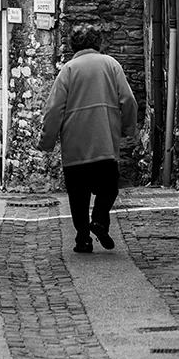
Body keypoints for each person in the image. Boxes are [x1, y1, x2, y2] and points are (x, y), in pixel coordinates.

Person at [38, 27, 138, 253]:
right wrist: (127, 128)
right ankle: (100, 220)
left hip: (75, 145)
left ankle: (83, 238)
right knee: (109, 188)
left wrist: (47, 141)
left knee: (78, 194)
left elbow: (54, 110)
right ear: (98, 42)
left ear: (74, 45)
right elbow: (128, 100)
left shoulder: (68, 70)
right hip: (104, 141)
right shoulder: (111, 65)